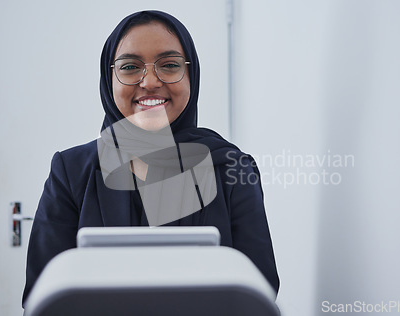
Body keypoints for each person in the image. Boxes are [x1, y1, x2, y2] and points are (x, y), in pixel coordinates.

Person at [22, 10, 279, 305]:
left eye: (169, 65)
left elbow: (261, 291)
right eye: (130, 67)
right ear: (110, 80)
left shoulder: (232, 168)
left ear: (191, 75)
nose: (150, 82)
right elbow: (40, 297)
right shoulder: (70, 171)